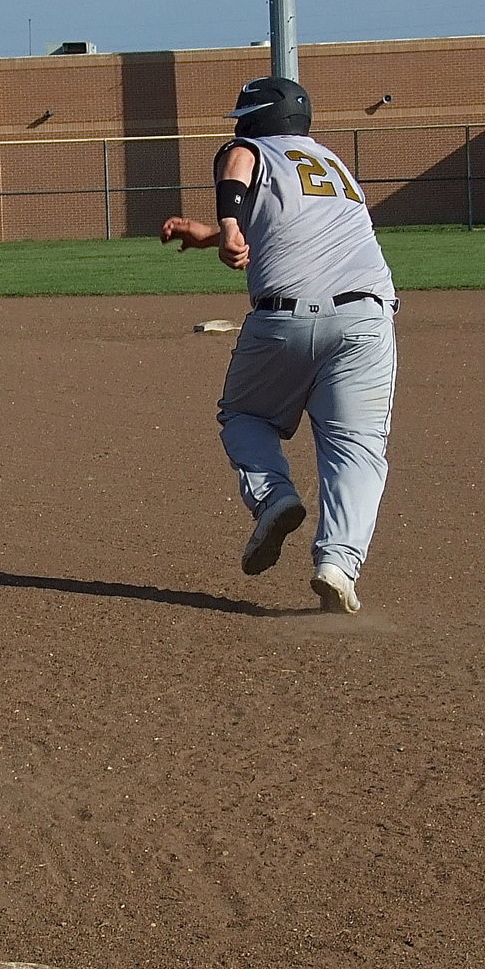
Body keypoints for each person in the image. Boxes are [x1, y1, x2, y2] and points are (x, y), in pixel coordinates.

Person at [161, 75, 398, 614]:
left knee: (244, 416)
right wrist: (212, 233)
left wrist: (226, 219)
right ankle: (338, 564)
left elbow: (239, 165)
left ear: (255, 119)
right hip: (367, 318)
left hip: (284, 319)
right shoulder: (333, 166)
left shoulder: (248, 148)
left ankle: (274, 497)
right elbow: (295, 223)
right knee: (357, 448)